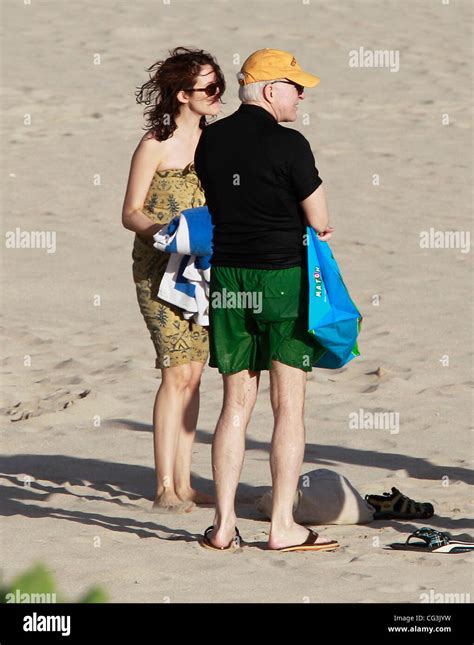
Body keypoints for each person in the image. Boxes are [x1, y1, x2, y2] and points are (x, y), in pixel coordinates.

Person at [194, 48, 339, 551]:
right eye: (295, 86)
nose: (302, 94)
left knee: (235, 403)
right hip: (282, 279)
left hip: (231, 279)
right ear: (270, 89)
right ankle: (281, 525)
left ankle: (224, 525)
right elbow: (319, 219)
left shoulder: (210, 141)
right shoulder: (290, 143)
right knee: (288, 405)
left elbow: (218, 201)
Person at [122, 47, 225, 512]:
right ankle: (164, 485)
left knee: (195, 374)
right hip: (159, 268)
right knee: (173, 370)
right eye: (209, 88)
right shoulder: (155, 143)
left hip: (202, 271)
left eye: (219, 85)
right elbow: (129, 212)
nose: (217, 95)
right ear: (183, 95)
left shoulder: (217, 141)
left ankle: (185, 483)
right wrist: (162, 234)